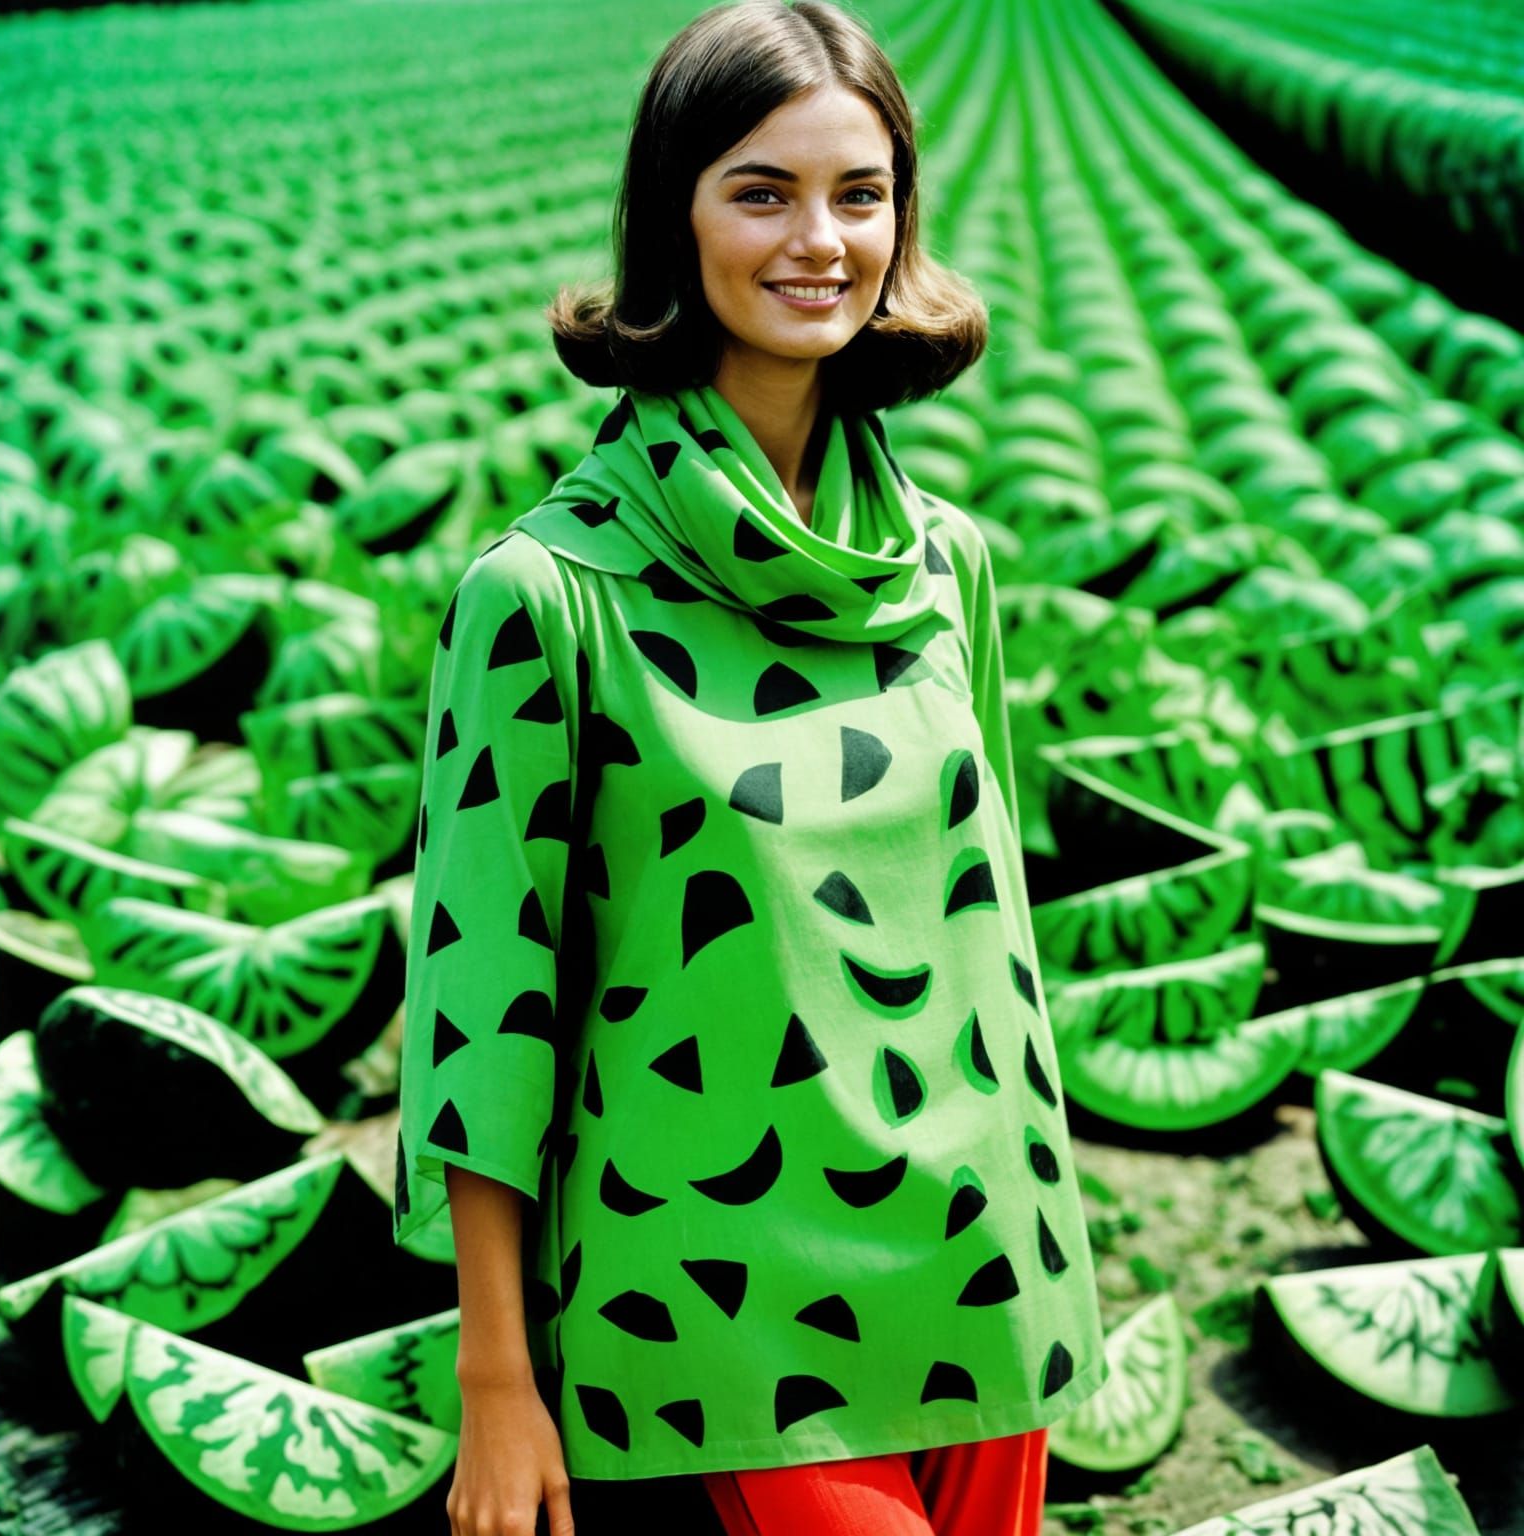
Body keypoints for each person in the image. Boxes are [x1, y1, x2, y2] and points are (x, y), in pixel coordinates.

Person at [392, 2, 1109, 1532]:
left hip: (983, 1268)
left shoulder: (948, 565)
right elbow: (481, 1013)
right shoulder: (545, 594)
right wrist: (498, 1382)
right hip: (719, 1306)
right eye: (761, 190)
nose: (820, 240)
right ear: (676, 215)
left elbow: (993, 942)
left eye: (861, 194)